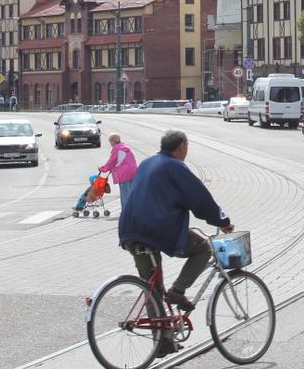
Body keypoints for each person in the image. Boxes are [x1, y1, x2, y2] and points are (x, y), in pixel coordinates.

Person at [118, 130, 232, 327]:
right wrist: (223, 221)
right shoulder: (175, 166)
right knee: (203, 248)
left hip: (129, 230)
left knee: (151, 287)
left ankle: (162, 338)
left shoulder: (147, 163)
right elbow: (200, 199)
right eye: (187, 146)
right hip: (156, 228)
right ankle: (177, 291)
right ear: (181, 146)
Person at [97, 132, 138, 198]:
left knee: (125, 194)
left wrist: (102, 169)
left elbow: (111, 162)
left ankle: (126, 205)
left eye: (110, 142)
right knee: (131, 193)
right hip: (133, 172)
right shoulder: (125, 147)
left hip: (124, 173)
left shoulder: (117, 149)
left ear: (113, 141)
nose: (110, 144)